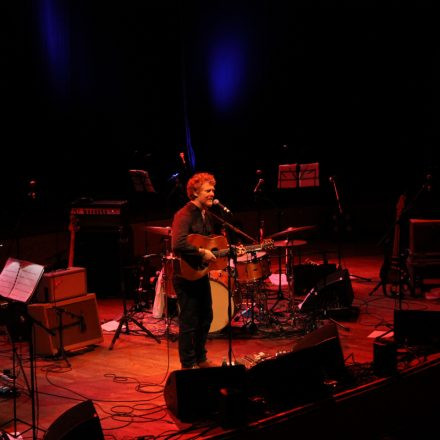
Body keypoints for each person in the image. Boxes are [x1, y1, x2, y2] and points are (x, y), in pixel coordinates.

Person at [171, 172, 218, 369]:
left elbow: (208, 241)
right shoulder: (184, 214)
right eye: (208, 190)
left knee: (206, 316)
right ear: (195, 192)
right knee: (189, 321)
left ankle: (201, 357)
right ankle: (188, 364)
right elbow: (178, 243)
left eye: (213, 189)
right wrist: (202, 253)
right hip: (186, 275)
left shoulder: (206, 215)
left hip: (200, 274)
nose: (212, 193)